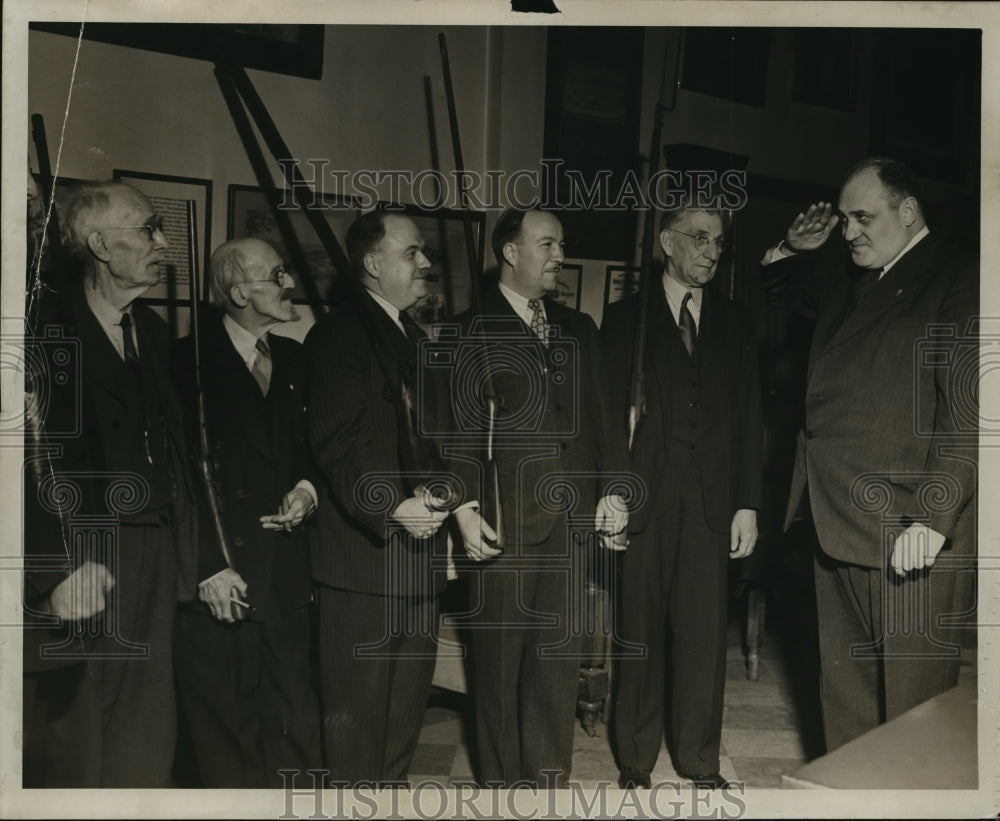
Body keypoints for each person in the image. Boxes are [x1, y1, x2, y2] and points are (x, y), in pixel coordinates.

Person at [760, 157, 978, 751]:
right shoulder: (853, 278)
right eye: (844, 217)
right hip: (837, 520)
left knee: (914, 721)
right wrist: (789, 246)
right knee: (847, 707)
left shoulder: (962, 276)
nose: (849, 231)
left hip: (910, 529)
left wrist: (934, 518)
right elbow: (781, 287)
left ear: (907, 213)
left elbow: (971, 411)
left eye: (863, 217)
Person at [22, 180, 198, 786]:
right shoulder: (45, 326)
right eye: (148, 228)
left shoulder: (149, 333)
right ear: (99, 244)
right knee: (77, 732)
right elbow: (29, 462)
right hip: (84, 554)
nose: (163, 243)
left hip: (150, 547)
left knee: (146, 719)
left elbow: (174, 451)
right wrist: (53, 572)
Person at [446, 207, 629, 788]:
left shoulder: (581, 329)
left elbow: (605, 422)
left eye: (562, 245)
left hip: (571, 523)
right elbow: (454, 434)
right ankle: (501, 790)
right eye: (547, 244)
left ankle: (547, 785)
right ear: (510, 251)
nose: (559, 256)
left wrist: (616, 492)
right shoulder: (467, 330)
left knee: (555, 664)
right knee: (498, 668)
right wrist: (465, 509)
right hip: (503, 522)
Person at [305, 210, 481, 785]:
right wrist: (392, 505)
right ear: (372, 265)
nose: (426, 263)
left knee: (404, 715)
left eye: (423, 252)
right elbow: (337, 441)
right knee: (357, 725)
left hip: (419, 561)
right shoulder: (336, 335)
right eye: (412, 253)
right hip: (364, 562)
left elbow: (438, 441)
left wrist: (452, 503)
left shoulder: (411, 338)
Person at [602, 206, 763, 790]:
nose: (712, 251)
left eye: (719, 242)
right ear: (667, 242)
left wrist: (748, 502)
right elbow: (603, 416)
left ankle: (699, 759)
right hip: (644, 497)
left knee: (702, 633)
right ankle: (635, 759)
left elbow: (750, 414)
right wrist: (612, 494)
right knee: (639, 629)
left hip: (711, 502)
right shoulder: (626, 320)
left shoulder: (737, 321)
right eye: (699, 238)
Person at [170, 238, 321, 787]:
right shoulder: (183, 366)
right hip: (221, 578)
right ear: (239, 292)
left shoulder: (298, 358)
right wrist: (209, 565)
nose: (290, 285)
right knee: (226, 741)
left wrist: (306, 489)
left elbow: (312, 448)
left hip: (284, 577)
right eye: (277, 274)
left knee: (295, 727)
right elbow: (176, 481)